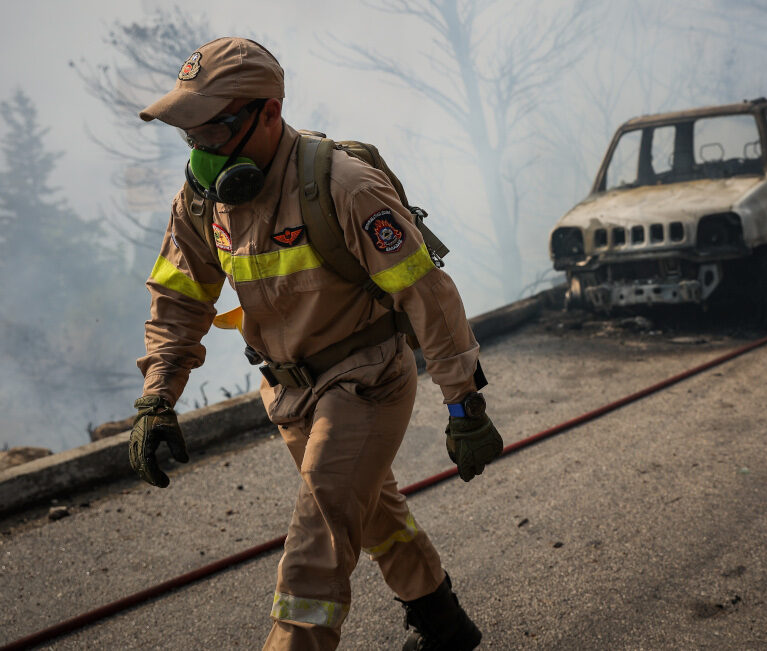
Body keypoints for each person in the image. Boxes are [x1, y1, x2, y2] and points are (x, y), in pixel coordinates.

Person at [127, 37, 502, 650]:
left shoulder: (343, 186)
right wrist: (157, 397)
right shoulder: (202, 199)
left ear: (268, 113)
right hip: (288, 394)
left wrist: (464, 401)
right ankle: (446, 629)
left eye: (213, 130)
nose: (201, 151)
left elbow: (427, 296)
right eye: (188, 134)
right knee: (373, 514)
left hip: (367, 381)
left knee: (315, 552)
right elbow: (180, 299)